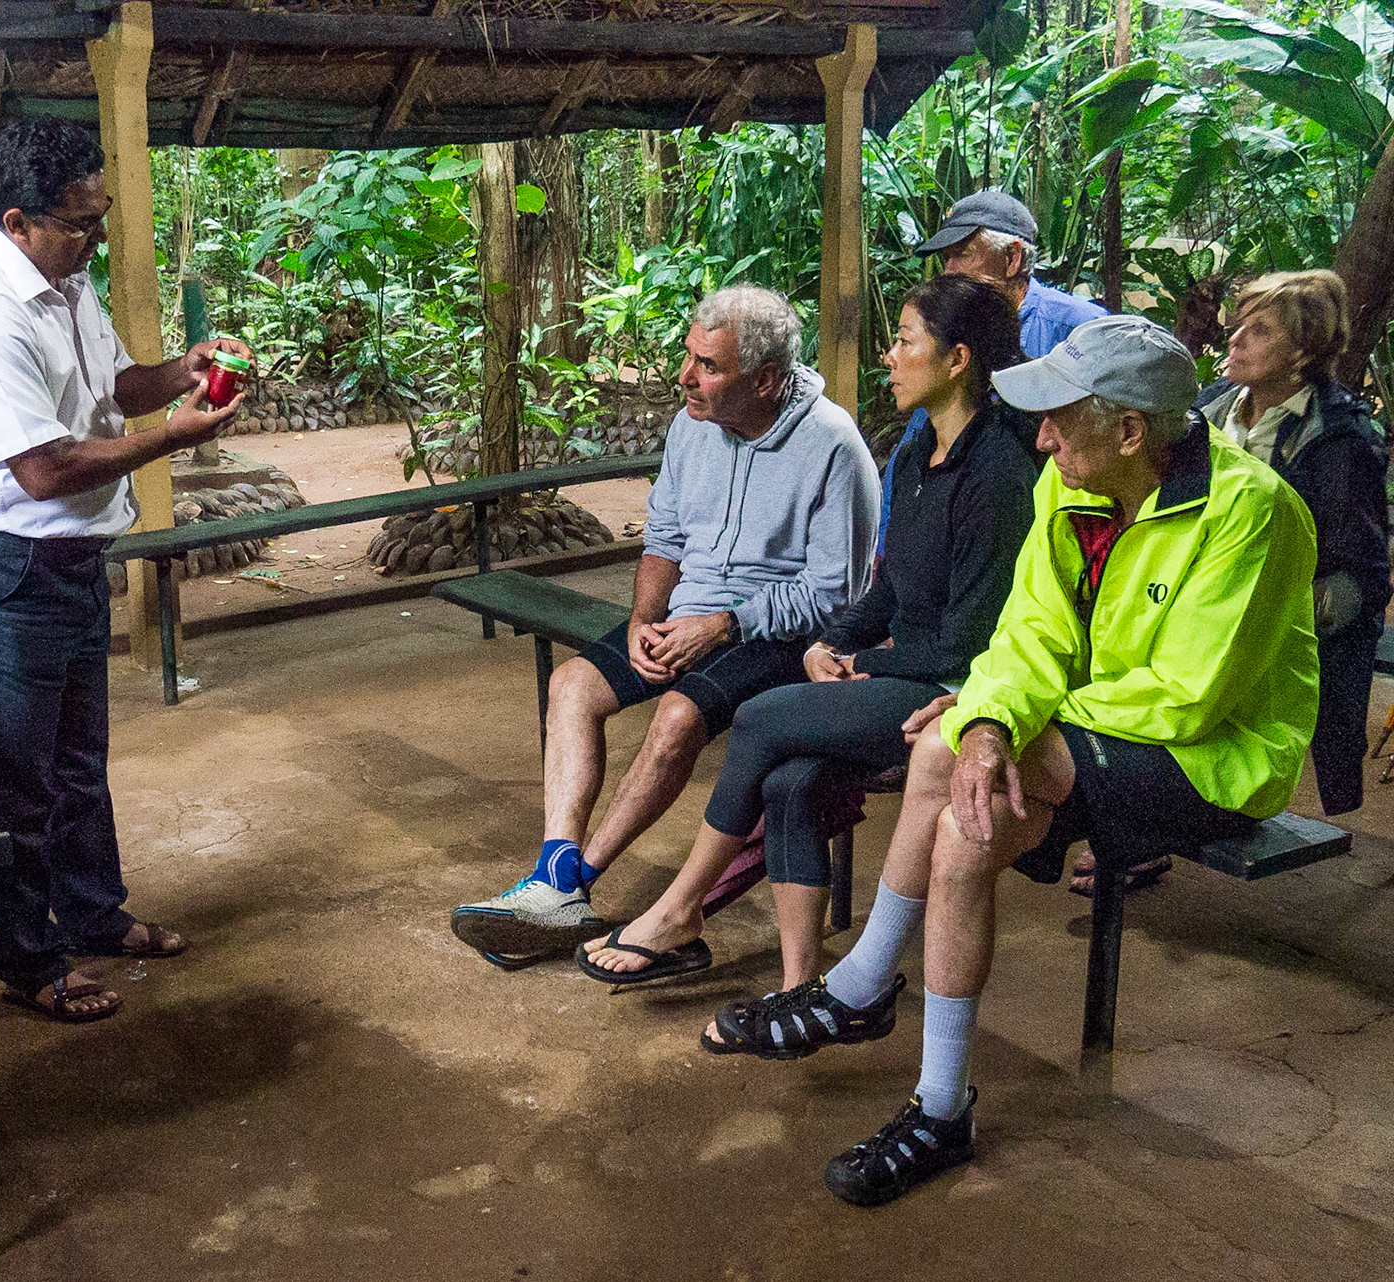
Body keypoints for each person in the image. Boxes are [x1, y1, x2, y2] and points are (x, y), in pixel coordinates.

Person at [714, 316, 1316, 1207]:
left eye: (1058, 420)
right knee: (954, 800)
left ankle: (859, 988)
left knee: (963, 751)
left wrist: (1015, 721)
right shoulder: (1068, 488)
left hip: (1209, 760)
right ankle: (937, 1100)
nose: (1040, 437)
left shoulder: (1250, 511)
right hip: (1091, 731)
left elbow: (1187, 695)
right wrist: (993, 716)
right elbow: (1027, 634)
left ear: (1129, 432)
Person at [579, 276, 1037, 997]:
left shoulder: (1000, 471)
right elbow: (882, 586)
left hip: (951, 686)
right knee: (792, 782)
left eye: (905, 342)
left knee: (761, 719)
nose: (888, 356)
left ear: (956, 360)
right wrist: (837, 643)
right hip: (896, 668)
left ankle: (677, 909)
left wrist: (864, 657)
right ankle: (801, 987)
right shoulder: (920, 451)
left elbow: (971, 638)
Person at [449, 286, 880, 968]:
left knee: (678, 717)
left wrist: (724, 624)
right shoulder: (692, 426)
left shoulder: (833, 446)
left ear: (765, 380)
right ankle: (553, 873)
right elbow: (666, 539)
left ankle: (573, 885)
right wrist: (645, 620)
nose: (685, 377)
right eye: (688, 357)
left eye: (707, 365)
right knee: (571, 686)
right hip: (685, 616)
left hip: (776, 635)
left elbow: (836, 595)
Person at [0, 118, 248, 1022]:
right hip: (7, 567)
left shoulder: (65, 283)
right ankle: (29, 961)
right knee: (14, 778)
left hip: (71, 560)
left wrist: (176, 374)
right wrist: (170, 441)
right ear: (19, 220)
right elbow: (44, 469)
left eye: (102, 216)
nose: (97, 238)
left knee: (77, 762)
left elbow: (112, 385)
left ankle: (95, 916)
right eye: (81, 223)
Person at [1195, 270, 1388, 817]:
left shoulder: (1339, 440)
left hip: (1277, 628)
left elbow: (1361, 579)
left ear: (1301, 353)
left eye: (1260, 331)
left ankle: (1150, 830)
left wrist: (1271, 620)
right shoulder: (1208, 412)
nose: (1235, 337)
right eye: (1240, 324)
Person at [878, 189, 1107, 548]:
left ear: (1012, 257)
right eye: (945, 259)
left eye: (961, 255)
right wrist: (887, 541)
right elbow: (923, 441)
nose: (948, 271)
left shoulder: (1077, 328)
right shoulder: (953, 323)